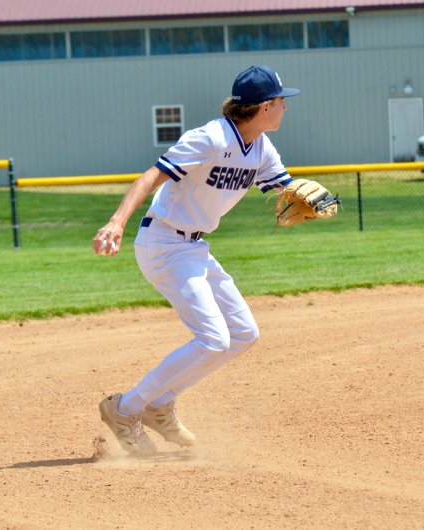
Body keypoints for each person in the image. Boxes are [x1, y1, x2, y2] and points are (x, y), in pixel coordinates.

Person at [93, 65, 313, 456]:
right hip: (163, 243)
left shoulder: (261, 147)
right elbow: (151, 176)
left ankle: (160, 403)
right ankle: (125, 409)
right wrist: (116, 221)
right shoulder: (210, 138)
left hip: (193, 248)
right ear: (264, 106)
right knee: (213, 339)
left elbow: (285, 188)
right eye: (282, 101)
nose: (286, 107)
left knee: (243, 333)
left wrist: (309, 198)